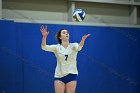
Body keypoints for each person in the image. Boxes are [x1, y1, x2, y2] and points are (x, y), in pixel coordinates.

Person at [40, 25, 90, 93]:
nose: (66, 33)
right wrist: (44, 36)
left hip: (71, 74)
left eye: (67, 32)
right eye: (64, 32)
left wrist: (83, 40)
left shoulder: (73, 45)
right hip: (59, 75)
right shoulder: (56, 47)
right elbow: (44, 47)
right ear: (60, 37)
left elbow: (79, 48)